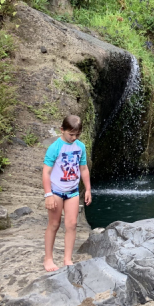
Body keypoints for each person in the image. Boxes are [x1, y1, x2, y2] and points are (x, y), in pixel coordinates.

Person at [42, 115, 92, 272]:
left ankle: (67, 258)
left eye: (77, 135)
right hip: (56, 191)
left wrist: (88, 189)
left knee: (72, 224)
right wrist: (48, 194)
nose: (74, 138)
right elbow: (46, 172)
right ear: (62, 130)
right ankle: (48, 259)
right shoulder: (55, 147)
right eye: (71, 134)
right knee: (54, 224)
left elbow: (83, 169)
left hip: (72, 191)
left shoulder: (80, 147)